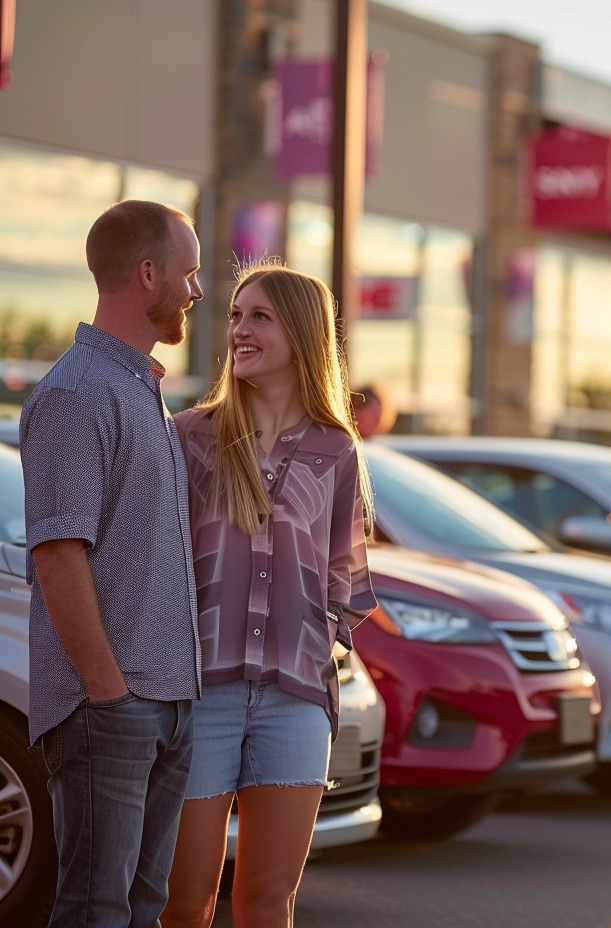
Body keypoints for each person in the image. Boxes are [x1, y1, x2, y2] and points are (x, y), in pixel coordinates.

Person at [163, 260, 377, 928]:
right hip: (203, 696)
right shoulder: (191, 437)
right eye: (233, 314)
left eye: (260, 316)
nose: (238, 330)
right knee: (184, 902)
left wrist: (324, 639)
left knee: (267, 903)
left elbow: (347, 571)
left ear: (303, 333)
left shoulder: (335, 449)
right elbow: (156, 559)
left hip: (296, 701)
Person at [20, 199, 203, 927]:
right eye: (187, 274)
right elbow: (59, 555)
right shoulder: (75, 393)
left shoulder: (139, 389)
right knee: (96, 911)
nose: (194, 291)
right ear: (148, 273)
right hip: (113, 710)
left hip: (165, 700)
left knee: (142, 909)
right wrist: (109, 692)